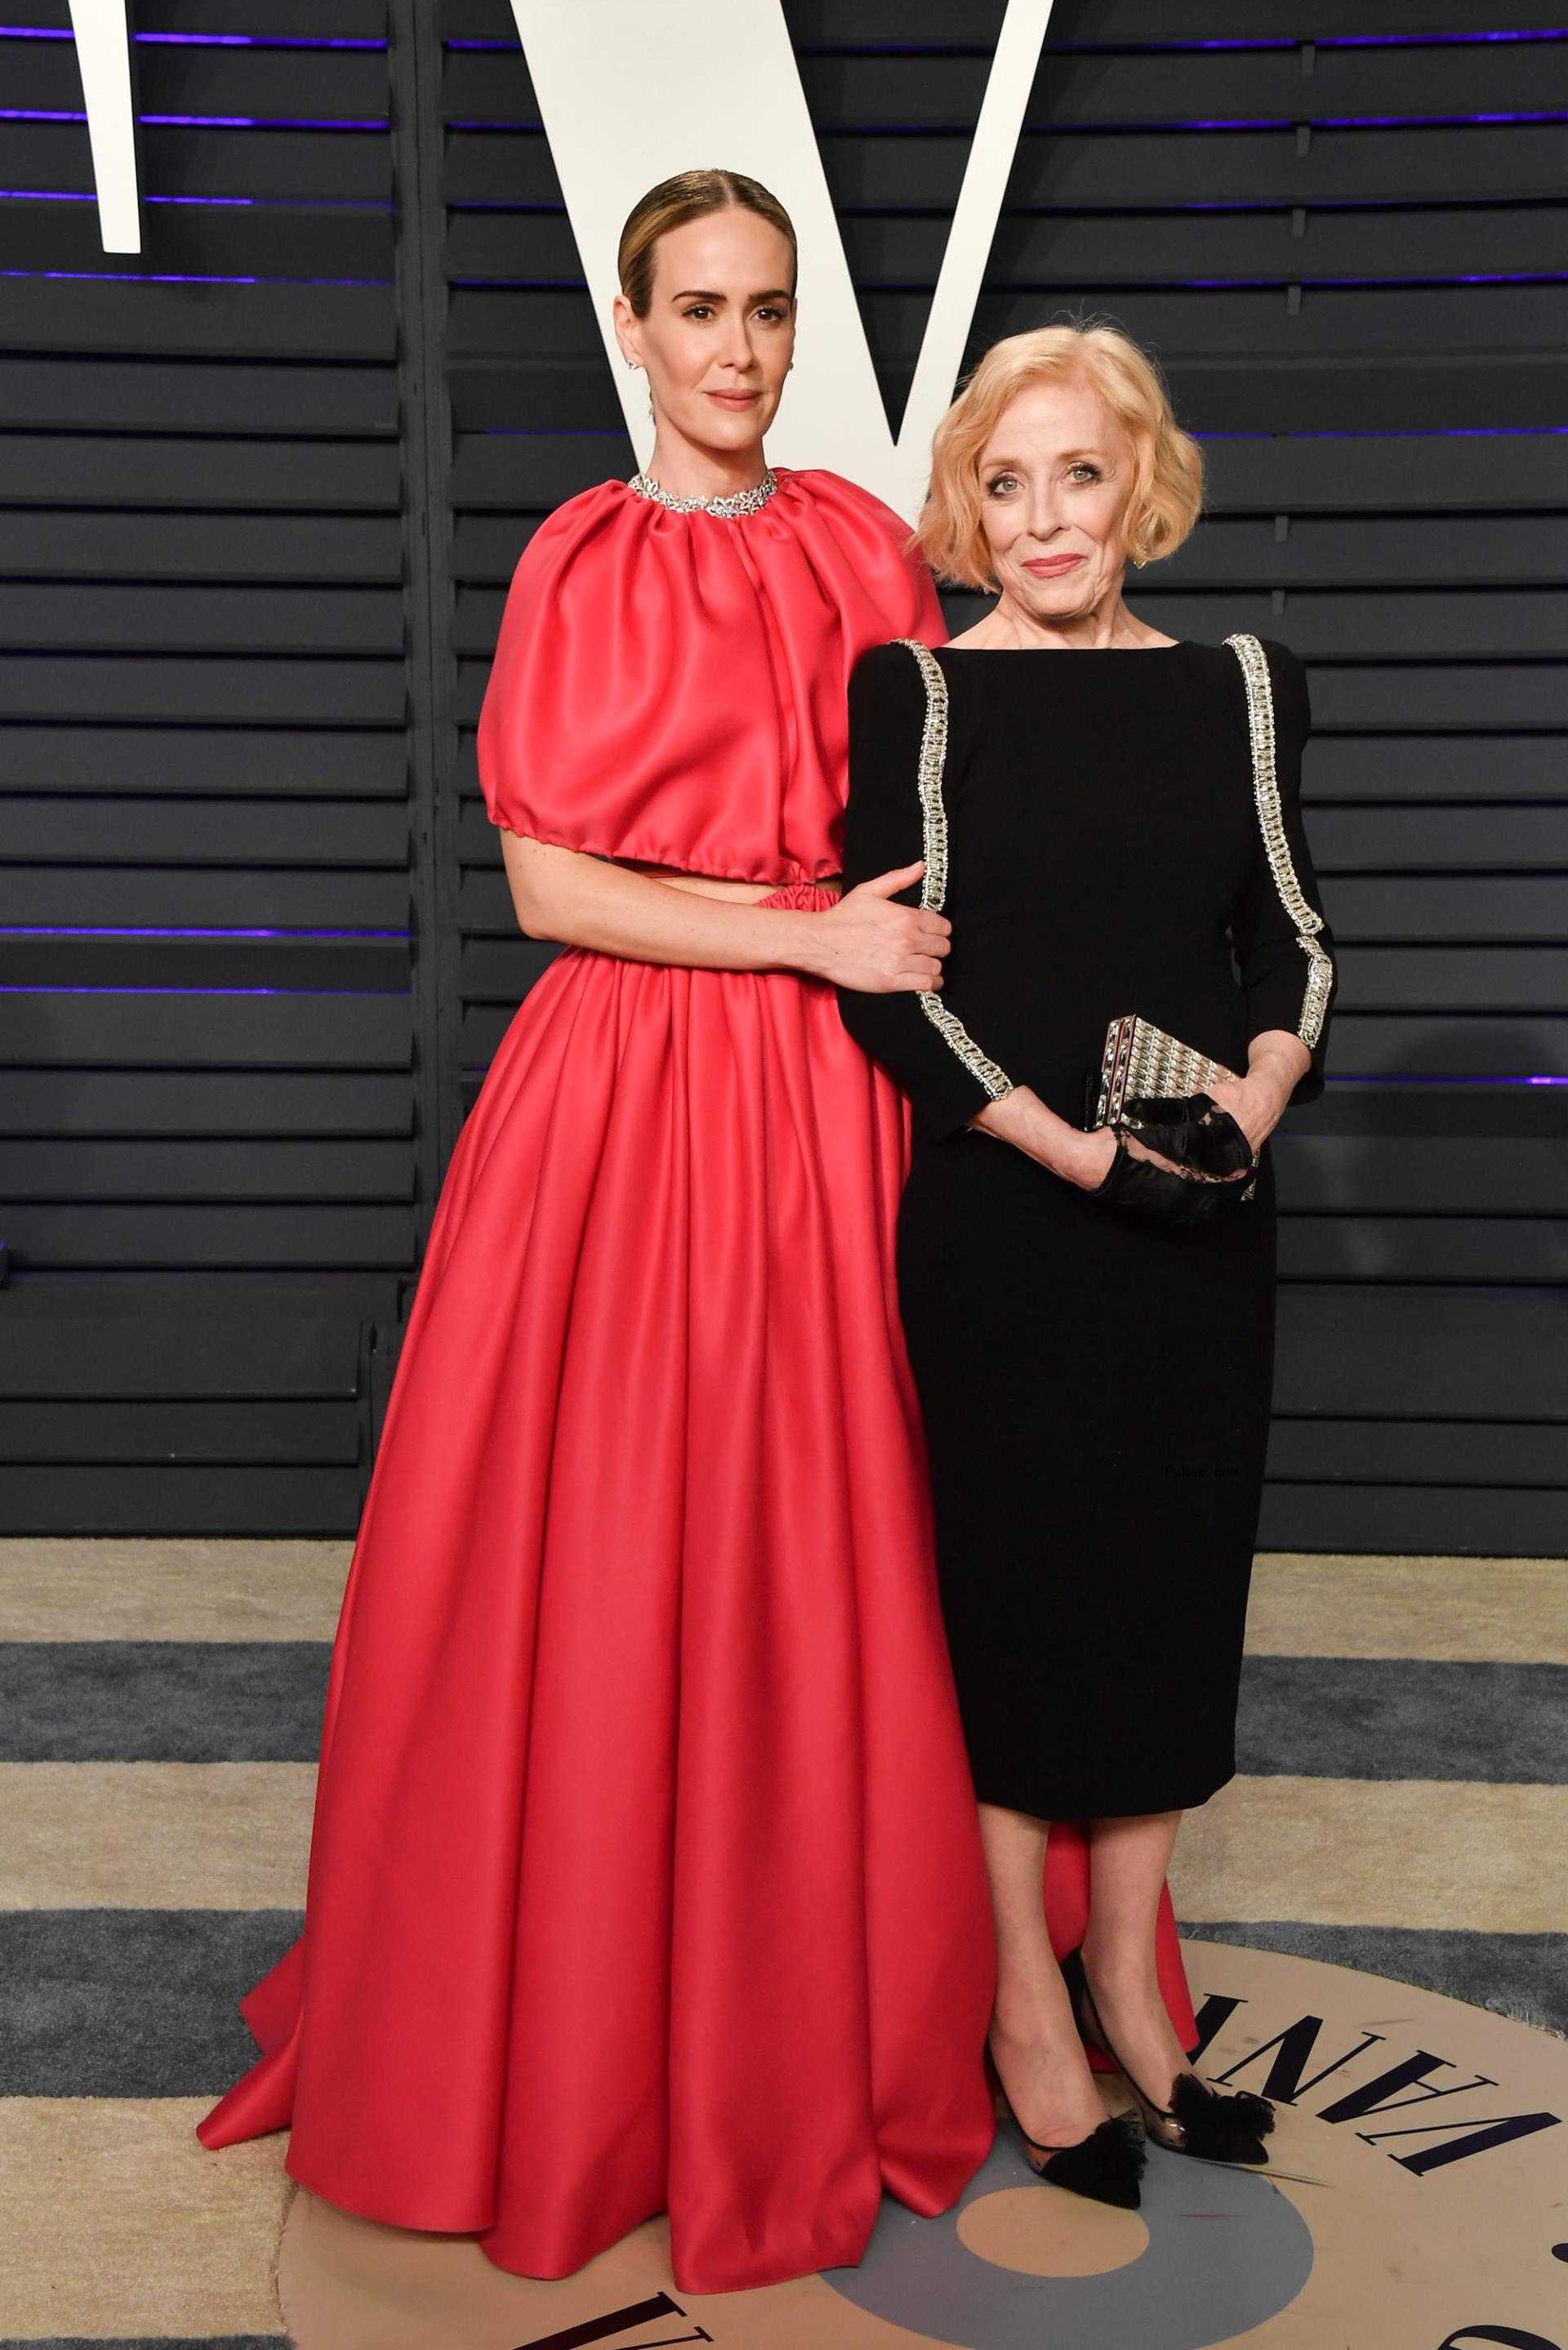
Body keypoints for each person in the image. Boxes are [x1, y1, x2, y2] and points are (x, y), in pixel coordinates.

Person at [197, 170, 998, 2294]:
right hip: (629, 1098)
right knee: (603, 1549)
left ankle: (819, 2020)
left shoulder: (859, 541)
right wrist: (804, 931)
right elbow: (554, 889)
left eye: (767, 309)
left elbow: (961, 782)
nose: (737, 350)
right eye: (699, 311)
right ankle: (566, 2042)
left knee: (831, 1552)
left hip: (833, 1108)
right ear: (631, 328)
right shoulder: (580, 556)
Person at [839, 321, 1336, 2210]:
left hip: (1205, 1225)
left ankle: (1132, 1985)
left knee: (1163, 1596)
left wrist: (1251, 1106)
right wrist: (1075, 1152)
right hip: (1010, 1223)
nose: (1046, 519)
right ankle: (1021, 2019)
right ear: (971, 505)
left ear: (1144, 486)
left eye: (1080, 475)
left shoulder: (1244, 687)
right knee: (1019, 1607)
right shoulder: (919, 694)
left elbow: (1291, 937)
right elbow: (901, 991)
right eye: (1008, 482)